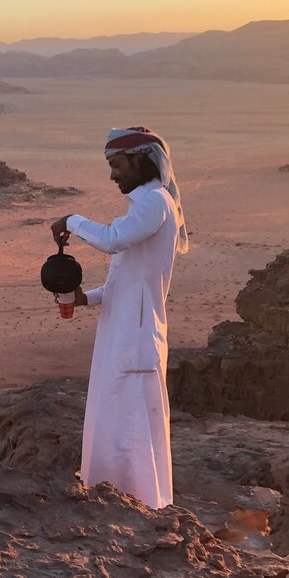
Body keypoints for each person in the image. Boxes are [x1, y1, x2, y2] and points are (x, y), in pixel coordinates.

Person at [50, 126, 187, 509]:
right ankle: (112, 500)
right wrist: (85, 299)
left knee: (131, 426)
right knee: (112, 418)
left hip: (135, 339)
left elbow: (112, 240)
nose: (113, 175)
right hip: (123, 333)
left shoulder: (154, 201)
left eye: (116, 165)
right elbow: (127, 282)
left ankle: (138, 506)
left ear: (142, 159)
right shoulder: (146, 205)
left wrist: (71, 220)